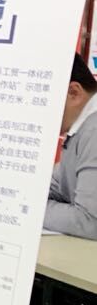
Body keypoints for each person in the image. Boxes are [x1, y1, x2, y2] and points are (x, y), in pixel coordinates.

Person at [48, 53, 97, 239]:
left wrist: (27, 209)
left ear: (74, 92)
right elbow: (58, 184)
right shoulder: (81, 127)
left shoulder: (93, 130)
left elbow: (89, 222)